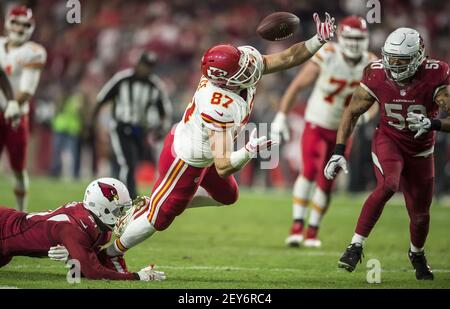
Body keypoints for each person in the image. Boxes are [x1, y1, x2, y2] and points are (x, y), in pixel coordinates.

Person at [104, 13, 337, 258]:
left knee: (228, 195)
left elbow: (288, 57)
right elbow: (224, 166)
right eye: (239, 71)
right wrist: (250, 150)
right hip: (186, 159)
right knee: (159, 219)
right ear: (221, 80)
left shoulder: (241, 61)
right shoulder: (218, 105)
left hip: (208, 152)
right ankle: (111, 253)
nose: (248, 70)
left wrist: (317, 40)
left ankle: (159, 200)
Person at [324, 27, 450, 280]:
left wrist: (433, 123)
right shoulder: (376, 73)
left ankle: (417, 253)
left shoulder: (436, 75)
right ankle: (355, 245)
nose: (393, 65)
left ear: (418, 57)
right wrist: (338, 151)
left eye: (401, 61)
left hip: (421, 148)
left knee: (421, 215)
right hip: (389, 139)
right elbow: (352, 111)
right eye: (390, 58)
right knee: (388, 185)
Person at [271, 16, 378, 248]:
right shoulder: (328, 54)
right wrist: (281, 115)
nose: (355, 43)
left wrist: (365, 117)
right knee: (309, 170)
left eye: (360, 38)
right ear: (341, 37)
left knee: (328, 179)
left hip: (343, 129)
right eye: (351, 37)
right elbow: (297, 85)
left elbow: (377, 98)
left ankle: (313, 231)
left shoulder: (370, 62)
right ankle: (297, 226)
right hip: (317, 121)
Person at [0, 177, 165, 281]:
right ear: (102, 209)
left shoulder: (98, 226)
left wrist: (73, 257)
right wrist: (137, 277)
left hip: (7, 245)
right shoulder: (73, 228)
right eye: (119, 210)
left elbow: (85, 266)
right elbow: (92, 272)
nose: (124, 215)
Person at [91, 52, 173, 199]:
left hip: (140, 129)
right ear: (138, 64)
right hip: (121, 126)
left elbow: (165, 112)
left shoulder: (155, 85)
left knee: (132, 162)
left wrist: (161, 128)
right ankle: (126, 196)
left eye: (150, 67)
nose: (146, 70)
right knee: (127, 163)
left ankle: (122, 190)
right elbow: (101, 99)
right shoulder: (122, 79)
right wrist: (91, 123)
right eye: (144, 66)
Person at [0, 6, 46, 211]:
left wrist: (13, 105)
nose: (19, 28)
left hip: (17, 116)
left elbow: (28, 88)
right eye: (16, 22)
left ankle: (21, 213)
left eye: (24, 24)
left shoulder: (34, 52)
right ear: (8, 22)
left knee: (18, 169)